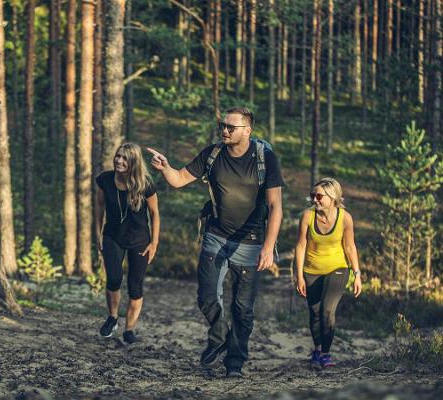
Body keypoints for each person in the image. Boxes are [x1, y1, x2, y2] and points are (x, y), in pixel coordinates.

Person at [148, 107, 284, 378]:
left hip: (251, 242)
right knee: (207, 296)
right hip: (216, 236)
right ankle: (219, 334)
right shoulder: (213, 154)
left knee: (242, 309)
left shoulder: (264, 157)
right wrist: (166, 168)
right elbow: (179, 179)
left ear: (247, 131)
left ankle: (234, 363)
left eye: (231, 127)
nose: (224, 130)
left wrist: (269, 247)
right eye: (223, 125)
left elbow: (275, 205)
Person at [95, 143, 160, 344]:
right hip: (113, 237)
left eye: (124, 159)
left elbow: (154, 213)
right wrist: (97, 234)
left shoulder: (145, 184)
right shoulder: (105, 180)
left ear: (133, 162)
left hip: (139, 241)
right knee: (113, 279)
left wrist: (154, 243)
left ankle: (129, 330)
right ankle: (112, 318)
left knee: (135, 286)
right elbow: (99, 207)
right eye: (118, 157)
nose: (119, 161)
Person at [294, 177, 362, 368]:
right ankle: (317, 350)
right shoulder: (307, 216)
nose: (314, 199)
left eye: (319, 196)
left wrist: (357, 274)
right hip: (311, 270)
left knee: (327, 310)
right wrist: (299, 275)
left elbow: (350, 247)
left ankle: (326, 353)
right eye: (312, 196)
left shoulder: (345, 218)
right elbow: (300, 246)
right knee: (314, 311)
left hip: (338, 268)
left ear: (332, 197)